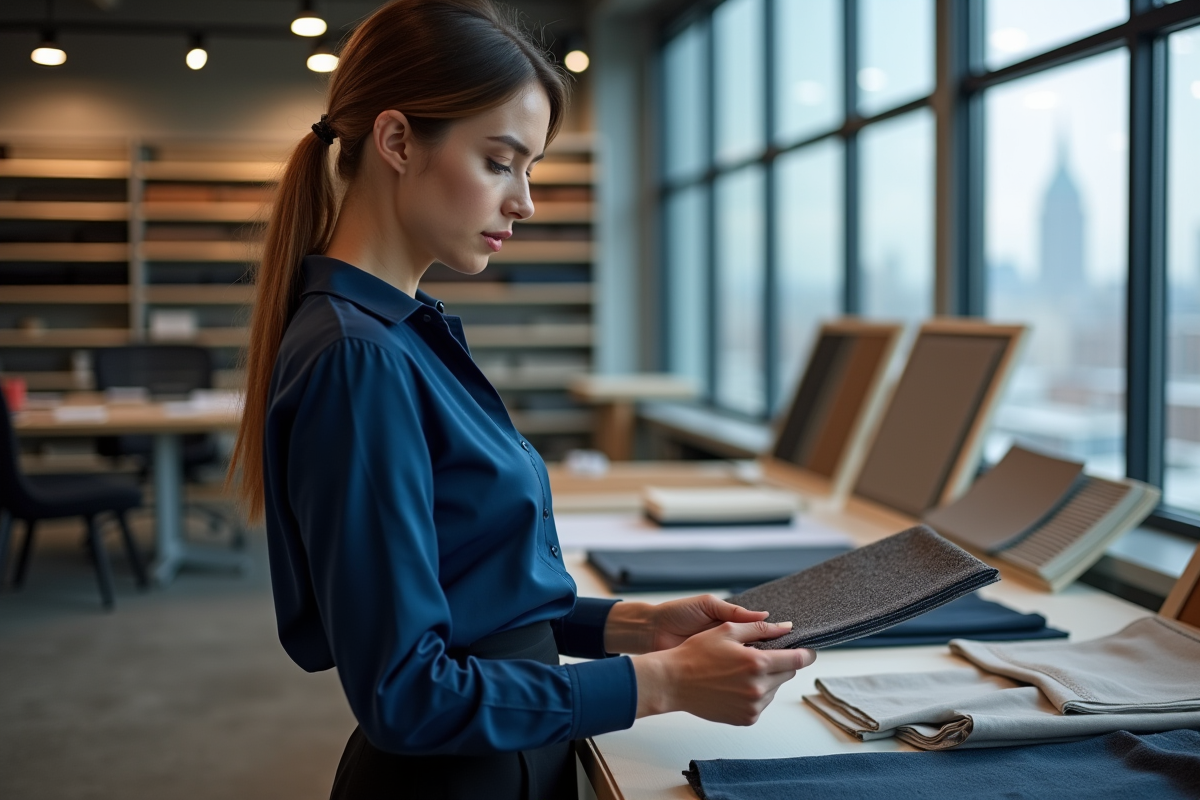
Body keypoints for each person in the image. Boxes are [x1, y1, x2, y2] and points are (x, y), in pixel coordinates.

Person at [228, 1, 816, 797]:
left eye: (529, 168)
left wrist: (636, 626)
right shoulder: (359, 358)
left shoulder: (402, 333)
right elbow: (407, 694)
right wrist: (663, 682)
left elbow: (476, 595)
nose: (524, 201)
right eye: (500, 162)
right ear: (396, 141)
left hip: (505, 756)